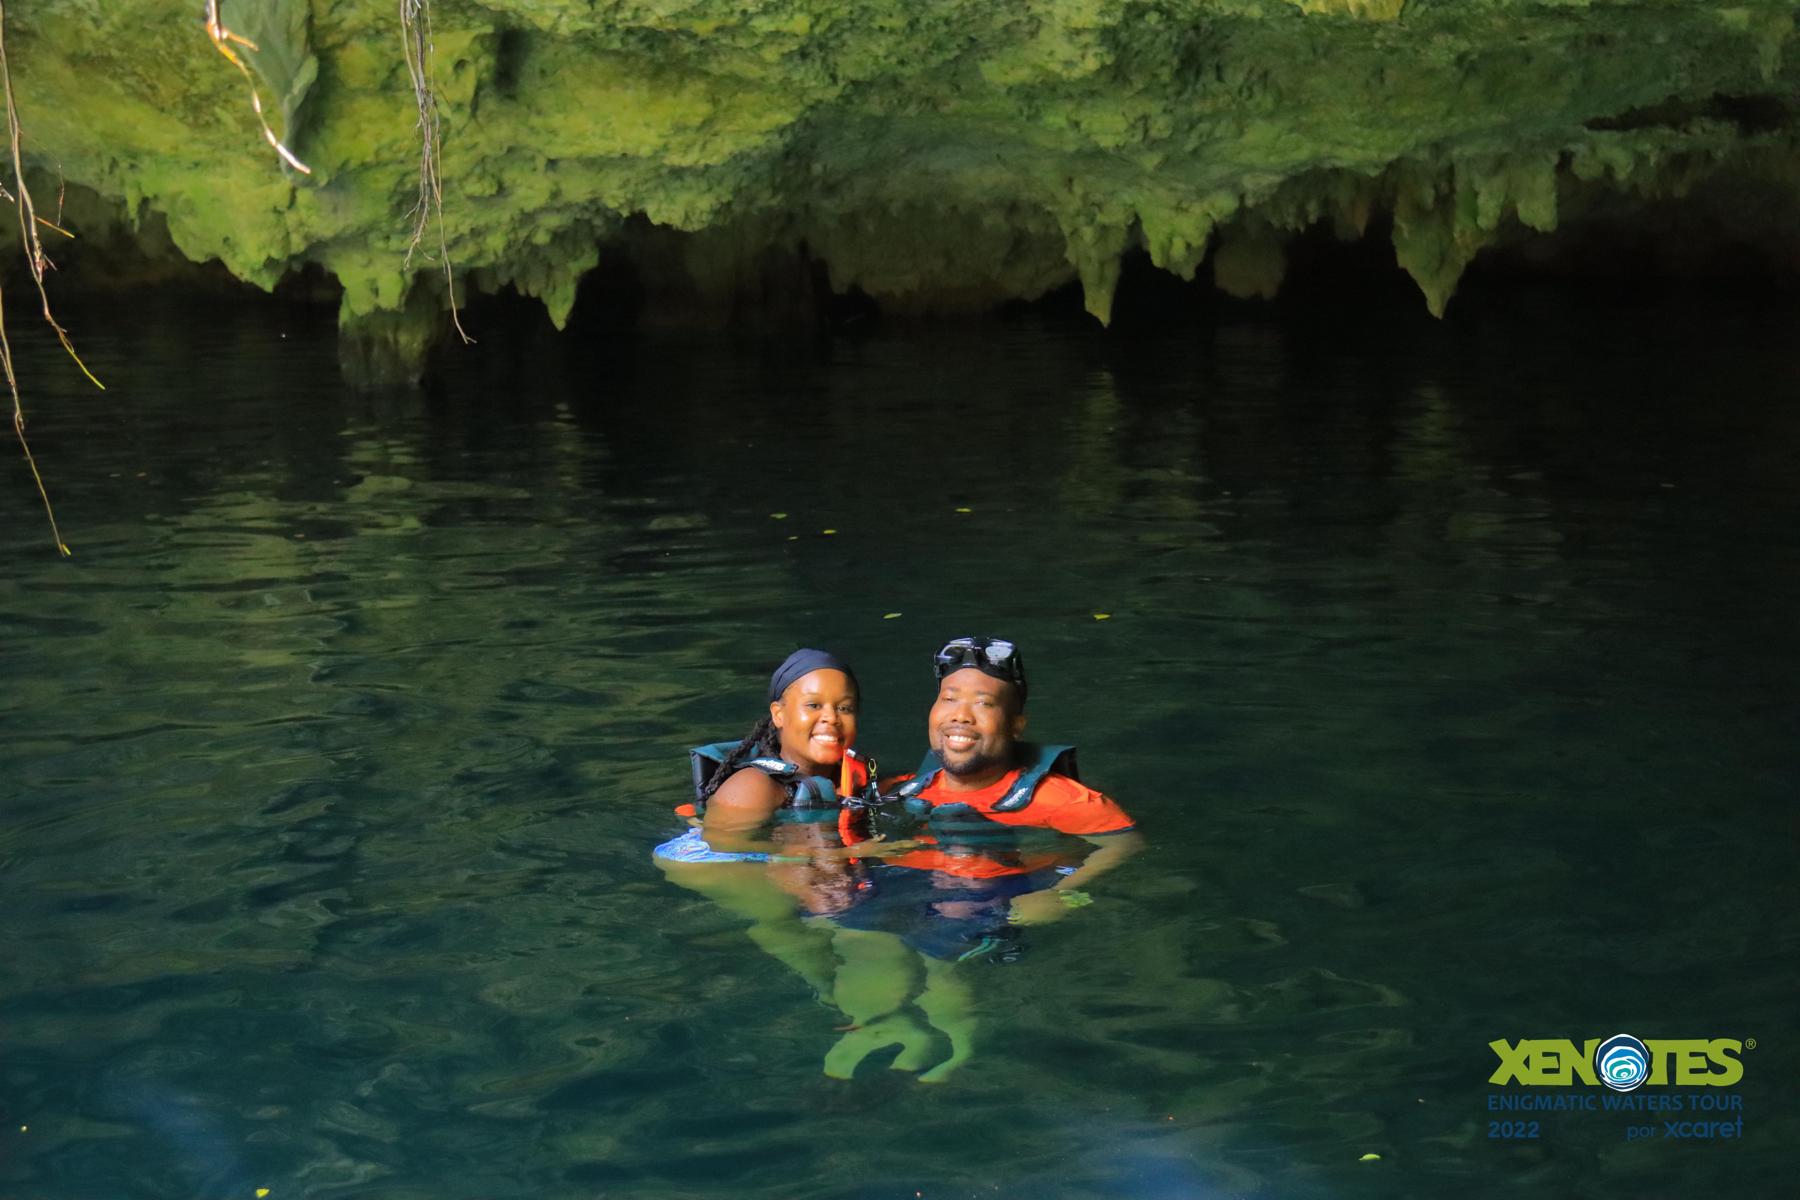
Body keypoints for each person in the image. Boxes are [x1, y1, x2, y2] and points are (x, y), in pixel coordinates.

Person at [827, 635, 1144, 1080]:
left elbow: (1125, 844)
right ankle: (875, 1025)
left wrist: (1065, 894)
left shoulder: (1061, 800)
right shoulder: (906, 788)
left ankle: (956, 1044)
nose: (960, 713)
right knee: (851, 929)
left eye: (984, 703)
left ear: (1016, 725)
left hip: (992, 890)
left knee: (943, 951)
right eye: (949, 698)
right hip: (914, 880)